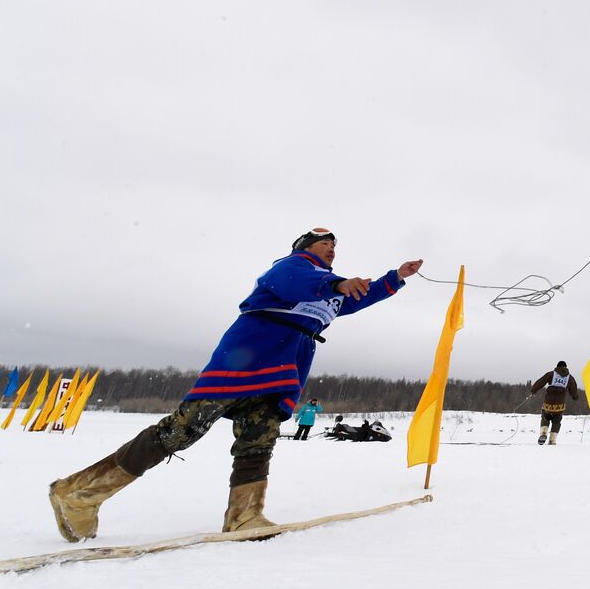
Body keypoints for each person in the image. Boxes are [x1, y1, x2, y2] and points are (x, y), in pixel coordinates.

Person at [48, 228, 422, 541]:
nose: (332, 248)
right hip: (246, 358)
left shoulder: (327, 287)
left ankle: (244, 516)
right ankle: (80, 493)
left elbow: (355, 296)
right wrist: (337, 281)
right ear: (305, 247)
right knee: (179, 432)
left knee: (259, 439)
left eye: (335, 245)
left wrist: (396, 277)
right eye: (324, 242)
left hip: (284, 368)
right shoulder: (292, 267)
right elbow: (297, 283)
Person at [530, 360, 579, 445]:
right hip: (560, 403)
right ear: (566, 367)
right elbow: (573, 390)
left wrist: (534, 390)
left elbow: (541, 381)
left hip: (549, 401)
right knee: (557, 420)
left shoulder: (551, 374)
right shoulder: (570, 378)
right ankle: (552, 439)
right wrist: (575, 397)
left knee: (545, 417)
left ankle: (543, 433)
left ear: (557, 366)